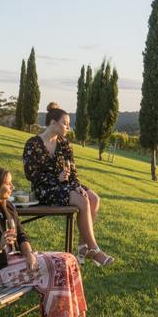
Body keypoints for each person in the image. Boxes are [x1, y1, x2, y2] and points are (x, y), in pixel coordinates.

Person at [0, 167, 93, 317]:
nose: (12, 187)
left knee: (69, 259)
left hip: (14, 261)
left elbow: (22, 236)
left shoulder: (6, 207)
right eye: (8, 184)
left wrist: (29, 254)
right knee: (58, 265)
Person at [22, 102, 115, 267]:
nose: (68, 127)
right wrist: (55, 179)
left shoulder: (64, 144)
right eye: (65, 123)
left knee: (93, 198)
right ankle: (95, 250)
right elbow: (31, 175)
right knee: (82, 200)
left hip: (64, 186)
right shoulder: (33, 144)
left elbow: (72, 170)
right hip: (44, 190)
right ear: (53, 123)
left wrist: (76, 185)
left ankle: (82, 247)